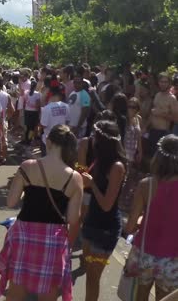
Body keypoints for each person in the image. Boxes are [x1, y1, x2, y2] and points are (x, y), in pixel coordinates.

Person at [0, 125, 83, 301]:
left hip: (24, 235)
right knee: (47, 294)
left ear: (48, 142)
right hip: (53, 239)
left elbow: (11, 202)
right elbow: (73, 219)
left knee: (15, 293)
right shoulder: (75, 178)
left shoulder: (28, 166)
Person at [123, 134, 178, 301]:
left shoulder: (146, 184)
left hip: (145, 253)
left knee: (140, 297)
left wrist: (141, 222)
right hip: (173, 258)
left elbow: (130, 227)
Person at [80, 120, 126, 301]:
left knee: (93, 276)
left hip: (105, 229)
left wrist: (91, 184)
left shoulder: (117, 167)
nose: (93, 139)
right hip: (91, 222)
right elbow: (83, 173)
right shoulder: (99, 160)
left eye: (96, 136)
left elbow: (107, 205)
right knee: (90, 276)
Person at [146, 73, 178, 170]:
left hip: (164, 132)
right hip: (153, 130)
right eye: (161, 81)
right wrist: (145, 127)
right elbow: (152, 113)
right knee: (151, 157)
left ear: (169, 83)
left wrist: (161, 114)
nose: (163, 84)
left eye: (165, 82)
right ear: (158, 83)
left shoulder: (172, 98)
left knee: (161, 161)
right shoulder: (157, 95)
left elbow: (176, 118)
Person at [39, 86, 70, 157]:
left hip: (49, 140)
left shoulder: (47, 108)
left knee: (47, 162)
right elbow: (67, 121)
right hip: (62, 139)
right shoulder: (67, 106)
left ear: (51, 94)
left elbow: (43, 125)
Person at [21, 79, 42, 148]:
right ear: (36, 86)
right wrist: (39, 113)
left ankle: (26, 139)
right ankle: (29, 140)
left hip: (27, 111)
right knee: (32, 128)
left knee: (27, 127)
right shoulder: (37, 94)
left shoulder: (26, 92)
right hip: (34, 112)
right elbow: (38, 105)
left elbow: (24, 102)